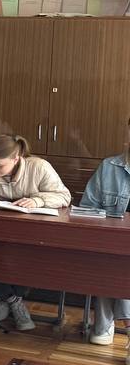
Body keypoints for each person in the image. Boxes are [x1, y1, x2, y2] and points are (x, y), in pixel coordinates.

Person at [0, 134, 72, 332]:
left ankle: (10, 302)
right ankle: (14, 303)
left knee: (30, 263)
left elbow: (64, 196)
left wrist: (38, 200)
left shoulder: (39, 167)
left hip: (34, 233)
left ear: (16, 159)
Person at [79, 117, 130, 352]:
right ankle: (106, 323)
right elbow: (87, 208)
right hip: (111, 244)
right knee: (107, 258)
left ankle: (110, 324)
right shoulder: (109, 166)